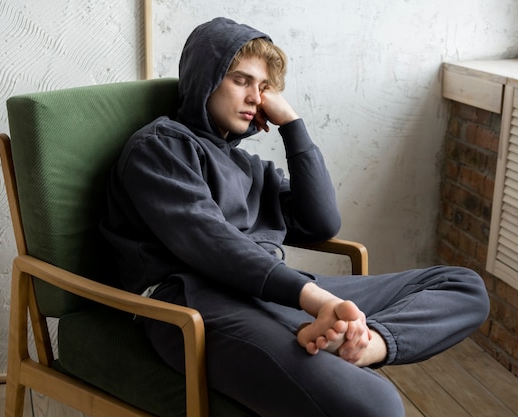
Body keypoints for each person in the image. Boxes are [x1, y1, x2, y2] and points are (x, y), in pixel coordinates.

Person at [100, 17, 489, 417]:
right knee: (377, 404)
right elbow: (211, 241)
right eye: (241, 80)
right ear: (205, 77)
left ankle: (363, 347)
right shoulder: (160, 147)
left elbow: (322, 222)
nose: (256, 98)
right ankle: (336, 342)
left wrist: (293, 126)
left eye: (264, 87)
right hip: (193, 307)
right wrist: (314, 298)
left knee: (463, 285)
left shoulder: (251, 168)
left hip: (274, 295)